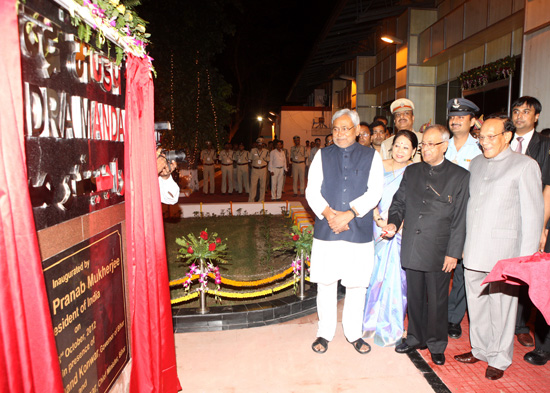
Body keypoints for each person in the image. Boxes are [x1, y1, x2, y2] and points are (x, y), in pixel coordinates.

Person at [455, 115, 543, 380]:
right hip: (473, 250)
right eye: (481, 137)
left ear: (507, 137)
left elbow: (533, 215)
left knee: (502, 309)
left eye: (491, 137)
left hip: (505, 255)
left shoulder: (525, 166)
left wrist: (523, 260)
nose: (485, 142)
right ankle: (480, 349)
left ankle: (500, 358)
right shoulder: (477, 163)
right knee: (477, 305)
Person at [383, 124, 469, 366]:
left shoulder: (460, 176)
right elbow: (398, 203)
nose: (426, 149)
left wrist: (453, 252)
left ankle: (436, 344)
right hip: (412, 245)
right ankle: (414, 338)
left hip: (439, 251)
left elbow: (460, 219)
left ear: (445, 146)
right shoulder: (412, 172)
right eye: (424, 145)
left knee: (438, 300)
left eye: (432, 144)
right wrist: (393, 223)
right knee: (415, 297)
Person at [306, 109, 384, 355]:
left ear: (357, 129)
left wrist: (349, 214)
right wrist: (330, 216)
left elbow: (375, 192)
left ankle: (354, 334)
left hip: (358, 230)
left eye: (345, 128)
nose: (339, 134)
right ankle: (324, 332)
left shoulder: (372, 156)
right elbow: (311, 191)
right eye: (336, 129)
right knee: (326, 284)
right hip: (327, 230)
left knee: (357, 285)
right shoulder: (322, 155)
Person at [363, 130, 418, 346]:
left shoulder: (416, 172)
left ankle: (390, 326)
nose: (400, 151)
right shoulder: (379, 166)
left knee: (396, 280)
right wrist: (376, 216)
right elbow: (369, 193)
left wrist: (398, 224)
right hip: (375, 227)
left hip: (400, 231)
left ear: (414, 150)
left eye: (406, 147)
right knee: (373, 276)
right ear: (391, 146)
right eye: (397, 145)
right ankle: (368, 324)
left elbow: (415, 203)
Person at [510, 96, 550, 348]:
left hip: (530, 218)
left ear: (536, 116)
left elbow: (547, 186)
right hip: (503, 217)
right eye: (516, 111)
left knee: (525, 273)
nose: (519, 116)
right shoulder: (502, 140)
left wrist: (542, 228)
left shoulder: (545, 145)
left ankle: (521, 325)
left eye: (526, 111)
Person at [444, 98, 482, 340]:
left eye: (461, 116)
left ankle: (452, 318)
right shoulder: (439, 145)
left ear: (472, 121)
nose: (455, 120)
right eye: (453, 116)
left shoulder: (480, 150)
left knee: (460, 270)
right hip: (437, 219)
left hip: (466, 218)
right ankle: (434, 312)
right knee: (434, 268)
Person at [248, 138, 270, 202]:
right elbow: (249, 160)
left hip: (263, 169)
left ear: (263, 144)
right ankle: (251, 200)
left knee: (263, 186)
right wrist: (251, 166)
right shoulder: (253, 150)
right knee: (253, 185)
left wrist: (265, 165)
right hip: (255, 169)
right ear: (256, 144)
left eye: (261, 143)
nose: (260, 145)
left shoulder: (266, 151)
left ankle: (261, 200)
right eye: (258, 143)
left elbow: (268, 160)